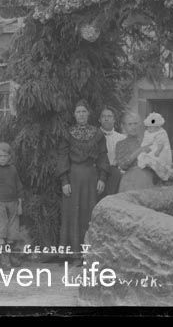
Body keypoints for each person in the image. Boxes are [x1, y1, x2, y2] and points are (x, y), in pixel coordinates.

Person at [56, 99, 109, 258]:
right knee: (72, 213)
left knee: (89, 213)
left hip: (91, 178)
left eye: (84, 111)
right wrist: (64, 181)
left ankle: (89, 255)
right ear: (74, 114)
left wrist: (102, 178)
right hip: (73, 177)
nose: (81, 115)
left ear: (89, 114)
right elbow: (62, 157)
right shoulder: (68, 134)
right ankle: (74, 255)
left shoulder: (97, 134)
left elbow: (103, 156)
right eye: (78, 112)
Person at [0, 142, 23, 267]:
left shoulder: (13, 169)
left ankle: (11, 256)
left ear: (9, 157)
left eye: (5, 156)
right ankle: (4, 258)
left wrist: (20, 204)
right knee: (1, 231)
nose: (3, 159)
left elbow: (19, 187)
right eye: (0, 156)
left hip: (13, 204)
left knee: (12, 231)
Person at [116, 112, 158, 192]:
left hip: (149, 180)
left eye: (135, 123)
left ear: (140, 124)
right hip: (131, 182)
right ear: (124, 126)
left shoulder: (149, 141)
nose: (133, 127)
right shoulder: (121, 144)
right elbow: (123, 165)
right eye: (130, 124)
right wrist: (139, 150)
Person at [136, 112, 173, 182]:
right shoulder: (148, 132)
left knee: (155, 160)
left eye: (151, 127)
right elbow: (146, 140)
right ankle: (148, 169)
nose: (149, 128)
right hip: (149, 148)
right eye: (148, 127)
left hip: (157, 150)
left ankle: (158, 174)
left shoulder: (160, 133)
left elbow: (161, 144)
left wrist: (158, 151)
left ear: (158, 127)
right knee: (143, 157)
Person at [99, 108, 126, 197]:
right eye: (103, 116)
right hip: (97, 172)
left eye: (109, 116)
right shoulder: (94, 136)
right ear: (99, 119)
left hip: (114, 173)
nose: (106, 119)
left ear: (114, 120)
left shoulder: (121, 138)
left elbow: (123, 159)